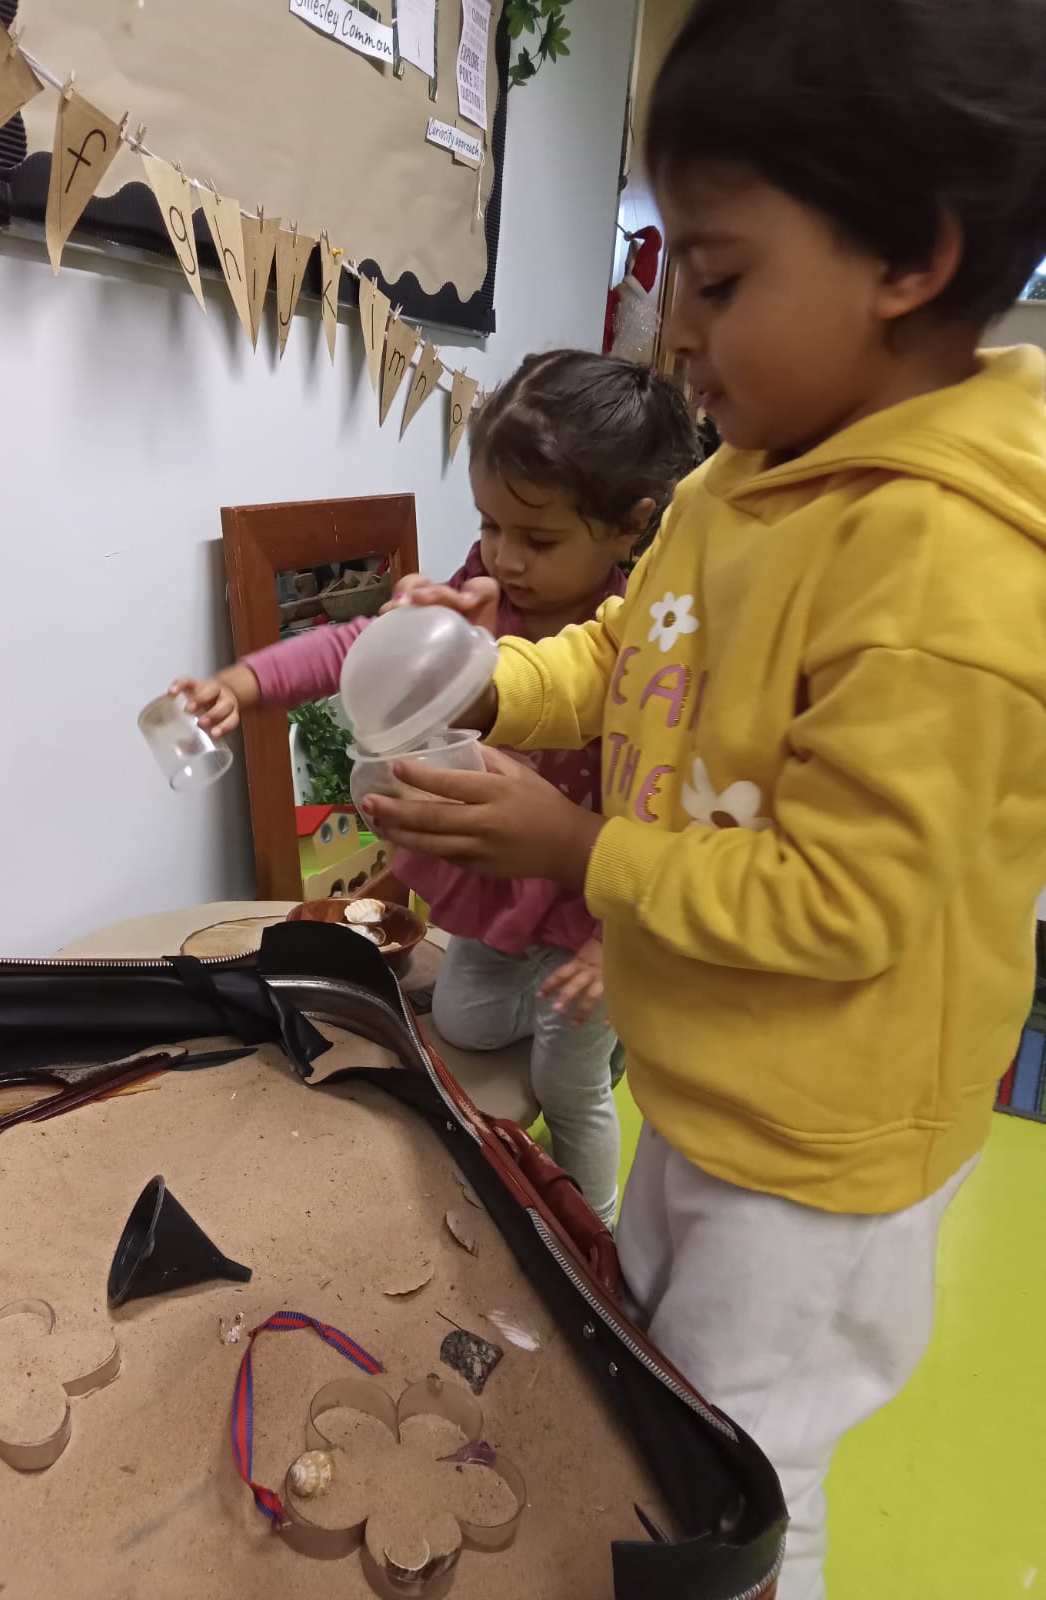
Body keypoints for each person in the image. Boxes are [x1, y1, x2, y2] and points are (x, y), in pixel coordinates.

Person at [359, 3, 1046, 1595]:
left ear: (910, 261)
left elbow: (843, 902)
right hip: (716, 1072)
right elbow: (620, 653)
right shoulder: (740, 485)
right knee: (665, 1398)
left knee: (741, 1485)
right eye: (675, 273)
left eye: (721, 280)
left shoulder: (946, 562)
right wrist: (487, 685)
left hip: (827, 1142)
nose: (675, 331)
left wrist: (580, 850)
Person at [173, 351, 699, 1229]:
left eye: (538, 539)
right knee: (469, 1029)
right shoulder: (471, 597)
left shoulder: (639, 648)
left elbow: (657, 807)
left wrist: (615, 946)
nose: (503, 557)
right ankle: (556, 1012)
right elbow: (353, 648)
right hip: (503, 898)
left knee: (569, 1088)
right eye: (491, 525)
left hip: (592, 911)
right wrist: (246, 683)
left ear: (628, 529)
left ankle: (591, 1228)